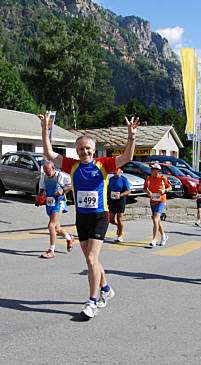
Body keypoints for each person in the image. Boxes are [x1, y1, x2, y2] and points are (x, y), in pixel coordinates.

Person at [38, 111, 139, 319]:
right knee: (90, 259)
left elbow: (127, 157)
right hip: (81, 217)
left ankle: (92, 301)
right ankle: (106, 289)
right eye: (81, 149)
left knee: (92, 258)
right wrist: (44, 129)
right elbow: (49, 153)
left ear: (93, 150)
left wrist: (131, 136)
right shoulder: (71, 165)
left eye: (88, 148)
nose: (84, 151)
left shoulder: (104, 164)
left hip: (99, 216)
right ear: (77, 151)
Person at [36, 160, 74, 259]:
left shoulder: (60, 175)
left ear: (53, 168)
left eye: (47, 170)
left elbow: (73, 184)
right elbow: (41, 188)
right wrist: (38, 197)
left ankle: (51, 250)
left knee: (51, 226)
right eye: (44, 170)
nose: (46, 172)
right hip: (49, 202)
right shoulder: (44, 177)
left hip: (59, 202)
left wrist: (63, 190)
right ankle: (69, 238)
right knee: (56, 228)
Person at [143, 163, 172, 247]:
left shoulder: (163, 178)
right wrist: (147, 191)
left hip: (161, 201)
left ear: (158, 170)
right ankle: (163, 236)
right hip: (152, 201)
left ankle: (154, 239)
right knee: (157, 221)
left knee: (155, 219)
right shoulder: (148, 178)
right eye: (151, 169)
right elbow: (144, 188)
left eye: (153, 169)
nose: (151, 170)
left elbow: (170, 187)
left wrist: (164, 191)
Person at [108, 168, 131, 242]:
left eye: (116, 171)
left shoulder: (124, 180)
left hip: (120, 200)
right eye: (114, 171)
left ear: (120, 171)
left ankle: (120, 235)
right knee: (111, 219)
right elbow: (109, 188)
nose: (114, 172)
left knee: (119, 218)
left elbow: (128, 191)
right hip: (112, 200)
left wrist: (120, 195)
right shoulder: (111, 179)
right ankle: (119, 227)